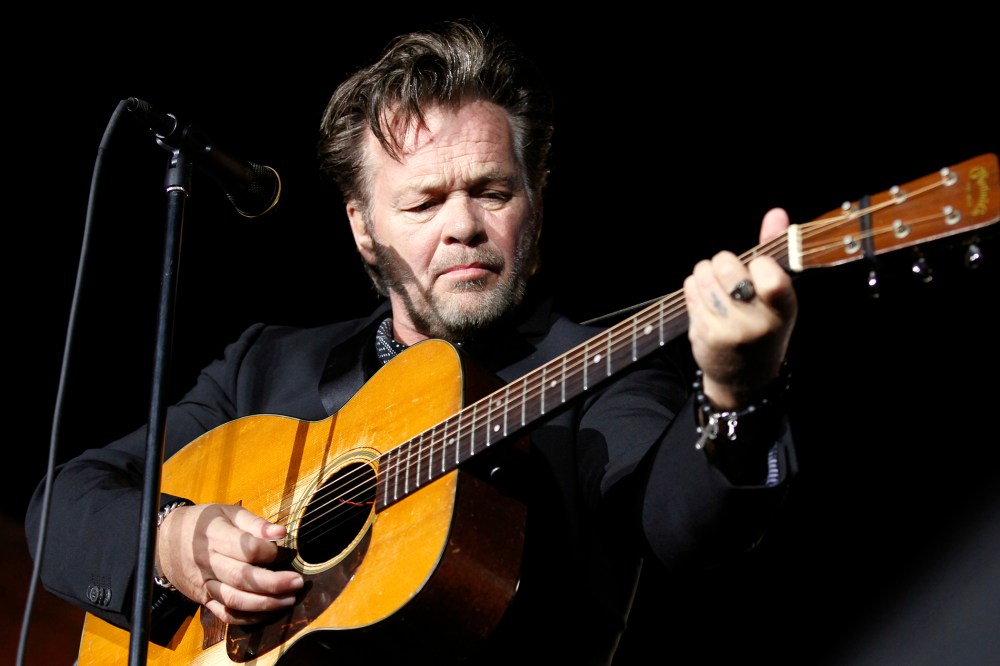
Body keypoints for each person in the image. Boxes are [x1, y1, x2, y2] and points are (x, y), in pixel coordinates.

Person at [25, 18, 799, 666]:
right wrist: (172, 541)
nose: (463, 225)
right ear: (363, 227)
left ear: (533, 205)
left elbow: (687, 525)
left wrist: (739, 392)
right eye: (424, 202)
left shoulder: (600, 370)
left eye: (492, 191)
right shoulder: (266, 367)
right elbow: (61, 504)